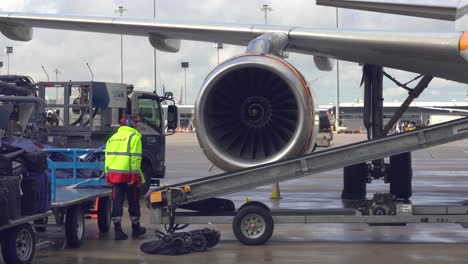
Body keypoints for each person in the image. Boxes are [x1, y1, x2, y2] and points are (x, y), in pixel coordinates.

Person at [105, 116, 146, 240]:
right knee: (133, 202)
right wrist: (135, 177)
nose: (136, 124)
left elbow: (107, 158)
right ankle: (136, 228)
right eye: (135, 122)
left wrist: (107, 177)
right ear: (129, 123)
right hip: (128, 177)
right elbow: (135, 159)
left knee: (117, 203)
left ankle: (118, 231)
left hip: (114, 177)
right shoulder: (134, 137)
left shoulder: (112, 138)